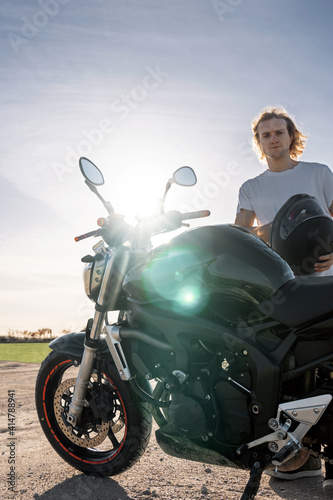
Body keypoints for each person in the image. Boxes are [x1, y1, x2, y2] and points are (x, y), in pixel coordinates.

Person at [234, 106, 333, 493]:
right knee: (291, 376)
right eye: (265, 134)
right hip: (279, 290)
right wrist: (271, 230)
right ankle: (298, 462)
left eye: (280, 132)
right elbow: (239, 237)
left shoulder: (319, 173)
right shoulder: (251, 187)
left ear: (292, 136)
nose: (273, 139)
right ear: (258, 142)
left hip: (324, 282)